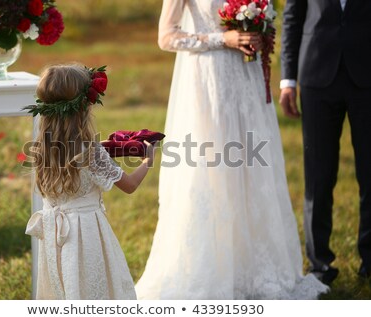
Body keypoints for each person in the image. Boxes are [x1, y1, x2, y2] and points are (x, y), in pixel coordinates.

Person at [135, 0, 328, 299]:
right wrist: (222, 39)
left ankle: (255, 269)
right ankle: (212, 268)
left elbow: (267, 20)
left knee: (253, 171)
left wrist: (257, 32)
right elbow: (166, 36)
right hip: (208, 82)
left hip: (245, 80)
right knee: (213, 171)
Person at [25, 64, 157, 299]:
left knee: (64, 285)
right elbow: (129, 185)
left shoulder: (40, 148)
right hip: (86, 235)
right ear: (83, 108)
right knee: (91, 287)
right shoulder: (90, 152)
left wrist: (104, 150)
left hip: (56, 237)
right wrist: (148, 160)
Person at [280, 0, 371, 285]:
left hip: (367, 78)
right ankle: (320, 265)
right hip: (316, 77)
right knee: (318, 177)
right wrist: (287, 81)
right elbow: (292, 19)